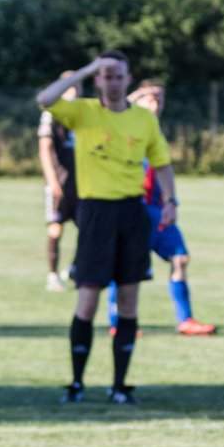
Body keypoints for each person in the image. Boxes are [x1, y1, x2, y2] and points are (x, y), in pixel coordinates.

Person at [35, 51, 178, 405]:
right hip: (95, 214)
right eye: (106, 75)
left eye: (118, 76)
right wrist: (85, 69)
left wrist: (171, 202)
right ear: (99, 80)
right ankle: (77, 383)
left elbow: (162, 164)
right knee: (88, 299)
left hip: (132, 212)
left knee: (129, 300)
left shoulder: (144, 120)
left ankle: (119, 385)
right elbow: (44, 99)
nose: (112, 81)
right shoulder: (84, 111)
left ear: (128, 80)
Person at [105, 81, 217, 336]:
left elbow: (164, 170)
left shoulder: (156, 131)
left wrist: (170, 201)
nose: (157, 103)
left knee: (180, 259)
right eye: (151, 98)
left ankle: (185, 320)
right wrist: (135, 98)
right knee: (126, 266)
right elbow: (111, 108)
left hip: (157, 209)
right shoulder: (124, 124)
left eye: (160, 99)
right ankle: (119, 323)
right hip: (133, 207)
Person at [38, 71, 79, 292]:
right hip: (60, 183)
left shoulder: (85, 113)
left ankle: (74, 268)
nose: (75, 89)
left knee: (89, 228)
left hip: (83, 184)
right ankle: (52, 276)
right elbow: (44, 148)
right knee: (56, 228)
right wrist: (52, 181)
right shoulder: (52, 114)